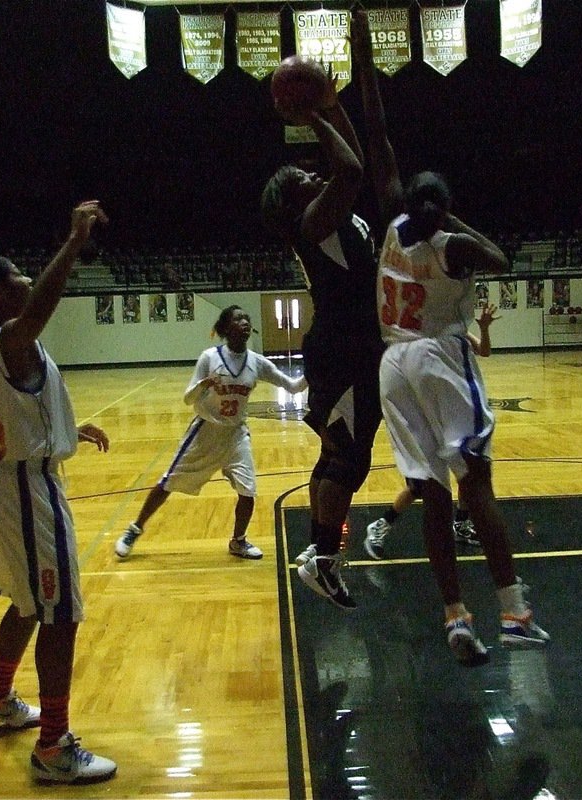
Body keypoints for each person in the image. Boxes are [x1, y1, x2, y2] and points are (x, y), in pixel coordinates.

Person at [355, 11, 548, 664]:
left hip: (393, 366)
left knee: (435, 497)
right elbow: (503, 257)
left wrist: (360, 46)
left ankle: (455, 618)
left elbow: (378, 134)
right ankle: (515, 613)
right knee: (479, 489)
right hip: (439, 355)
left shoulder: (388, 225)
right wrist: (445, 217)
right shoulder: (454, 246)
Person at [0, 200, 118, 784]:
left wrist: (69, 430)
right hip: (28, 490)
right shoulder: (7, 339)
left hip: (14, 479)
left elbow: (14, 407)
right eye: (16, 277)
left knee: (30, 604)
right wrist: (73, 243)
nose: (27, 279)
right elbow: (38, 313)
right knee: (59, 615)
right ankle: (53, 747)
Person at [260, 44, 384, 610]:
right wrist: (312, 114)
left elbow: (352, 160)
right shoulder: (314, 221)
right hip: (345, 346)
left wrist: (334, 107)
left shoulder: (328, 208)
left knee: (336, 453)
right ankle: (323, 559)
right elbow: (352, 168)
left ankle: (319, 555)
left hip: (348, 344)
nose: (314, 172)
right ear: (295, 197)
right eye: (302, 175)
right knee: (347, 460)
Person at [115, 304, 308, 561]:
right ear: (226, 328)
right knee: (168, 482)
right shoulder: (210, 358)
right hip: (205, 433)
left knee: (248, 492)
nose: (245, 322)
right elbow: (188, 399)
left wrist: (316, 369)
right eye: (238, 318)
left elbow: (293, 387)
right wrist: (204, 384)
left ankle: (238, 541)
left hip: (236, 435)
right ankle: (134, 529)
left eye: (246, 318)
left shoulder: (257, 363)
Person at [363, 303, 500, 558]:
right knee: (419, 485)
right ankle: (381, 525)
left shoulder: (454, 334)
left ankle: (460, 522)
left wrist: (483, 328)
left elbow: (485, 351)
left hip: (450, 414)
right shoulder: (411, 344)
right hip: (423, 418)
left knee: (467, 469)